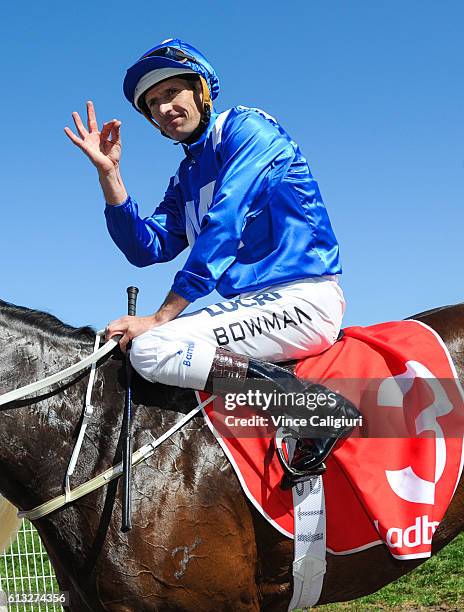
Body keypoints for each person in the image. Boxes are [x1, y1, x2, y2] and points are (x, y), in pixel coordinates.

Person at [65, 38, 358, 484]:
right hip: (254, 309)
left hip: (301, 299)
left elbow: (224, 224)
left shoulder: (248, 129)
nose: (163, 108)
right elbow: (147, 248)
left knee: (153, 347)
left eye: (171, 92)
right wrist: (111, 177)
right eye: (152, 104)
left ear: (201, 89)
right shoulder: (185, 176)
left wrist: (161, 317)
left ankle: (311, 407)